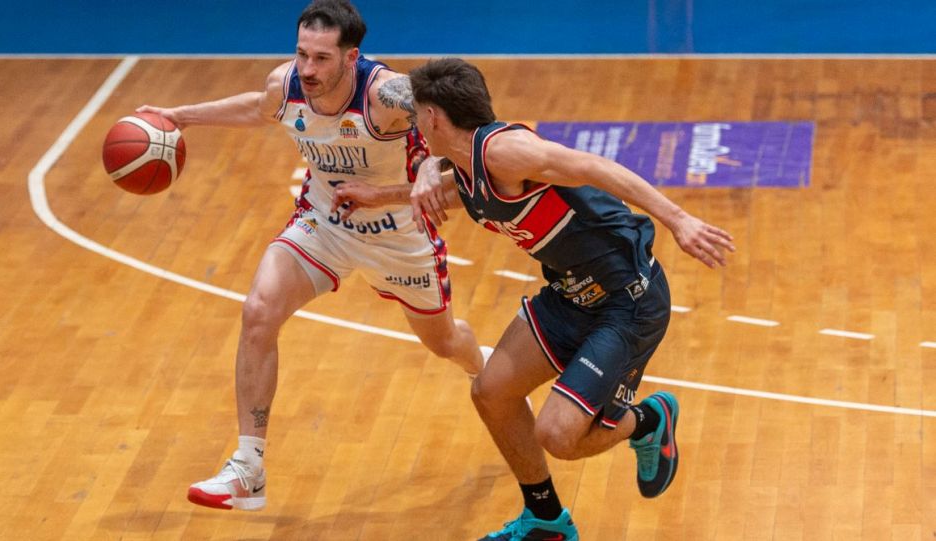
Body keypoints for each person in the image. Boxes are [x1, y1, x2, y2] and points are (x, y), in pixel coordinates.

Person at [137, 2, 489, 512]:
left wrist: (432, 168)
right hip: (324, 222)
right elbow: (258, 108)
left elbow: (454, 122)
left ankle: (484, 369)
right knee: (259, 311)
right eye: (302, 53)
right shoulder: (286, 85)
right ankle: (248, 467)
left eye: (322, 58)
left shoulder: (386, 93)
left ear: (351, 57)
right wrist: (181, 117)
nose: (307, 68)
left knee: (445, 342)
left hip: (399, 235)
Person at [407, 58, 736, 539]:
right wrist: (382, 192)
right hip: (572, 295)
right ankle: (546, 521)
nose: (414, 124)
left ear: (433, 117)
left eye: (417, 115)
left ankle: (648, 420)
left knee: (558, 436)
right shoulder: (467, 167)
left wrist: (678, 219)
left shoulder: (506, 152)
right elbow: (451, 192)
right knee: (491, 392)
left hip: (627, 301)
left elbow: (594, 166)